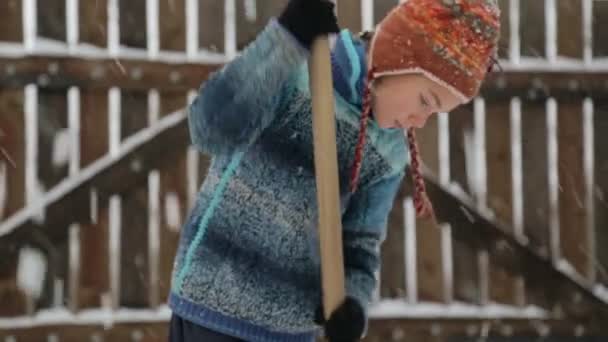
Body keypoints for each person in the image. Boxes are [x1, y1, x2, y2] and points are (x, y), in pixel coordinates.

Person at [168, 0, 501, 341]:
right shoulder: (299, 71)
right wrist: (285, 38)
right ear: (398, 57)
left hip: (293, 330)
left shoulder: (389, 150)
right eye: (426, 101)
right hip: (212, 312)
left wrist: (351, 302)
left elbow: (359, 242)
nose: (421, 121)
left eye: (436, 113)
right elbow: (210, 128)